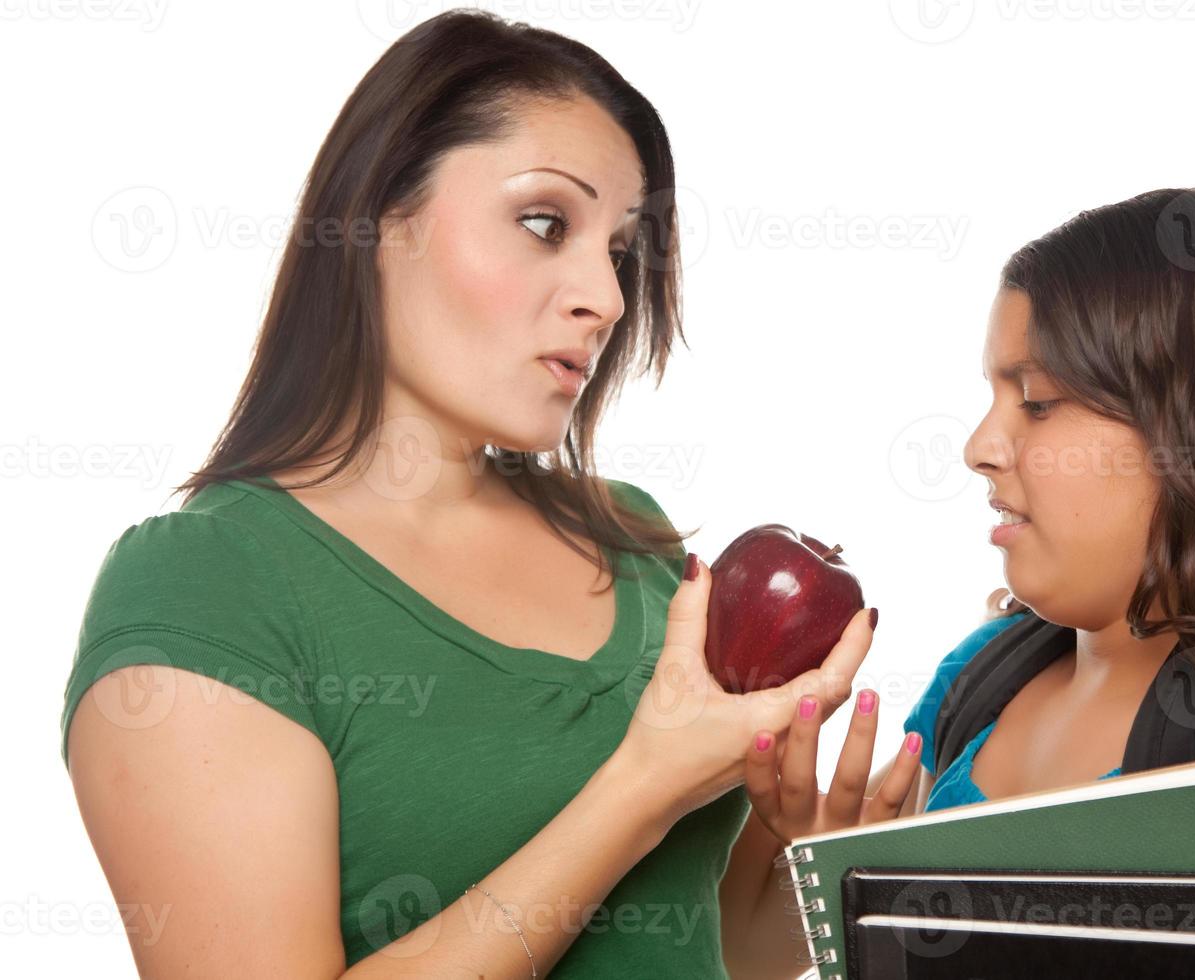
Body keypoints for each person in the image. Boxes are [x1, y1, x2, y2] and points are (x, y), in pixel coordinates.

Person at [59, 11, 873, 977]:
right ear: (375, 220)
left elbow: (716, 949)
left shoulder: (635, 540)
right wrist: (641, 787)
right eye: (544, 223)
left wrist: (792, 843)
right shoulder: (206, 586)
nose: (607, 299)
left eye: (618, 251)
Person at [743, 189, 1195, 979]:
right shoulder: (978, 680)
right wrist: (799, 854)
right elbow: (746, 961)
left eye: (1038, 402)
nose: (980, 447)